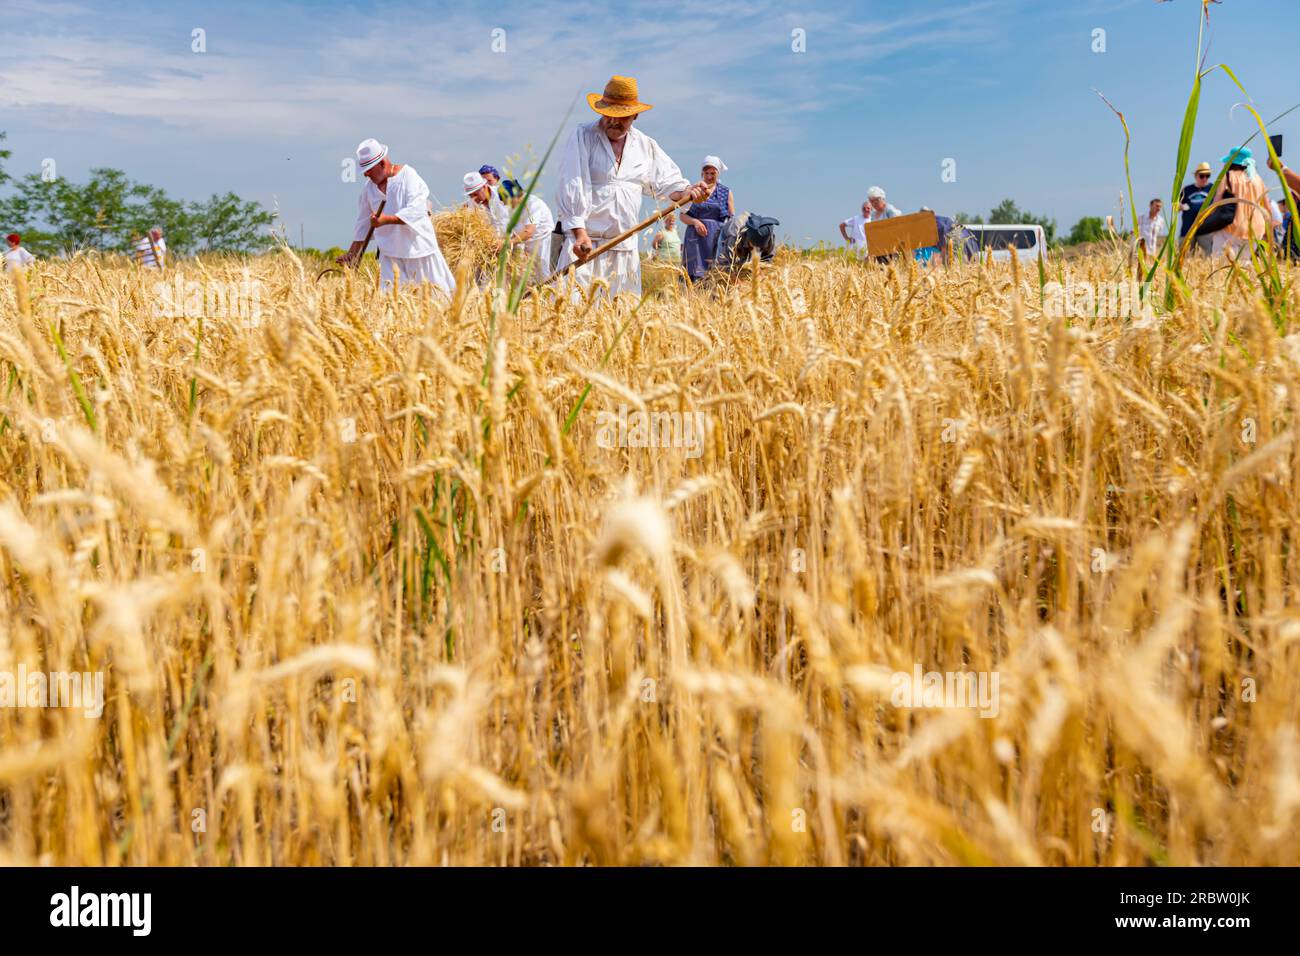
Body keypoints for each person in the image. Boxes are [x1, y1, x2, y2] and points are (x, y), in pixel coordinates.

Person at [553, 74, 708, 300]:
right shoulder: (583, 136)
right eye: (610, 115)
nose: (615, 121)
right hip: (586, 247)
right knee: (574, 314)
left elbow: (666, 184)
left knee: (619, 320)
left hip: (625, 250)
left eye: (622, 117)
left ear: (635, 115)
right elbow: (572, 182)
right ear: (601, 110)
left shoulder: (644, 145)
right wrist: (579, 234)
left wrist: (687, 193)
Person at [337, 138, 455, 295]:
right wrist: (352, 254)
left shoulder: (408, 176)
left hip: (419, 252)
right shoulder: (368, 189)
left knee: (438, 300)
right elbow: (363, 225)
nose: (366, 174)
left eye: (369, 169)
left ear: (382, 163)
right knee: (391, 306)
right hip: (390, 256)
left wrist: (386, 220)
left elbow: (417, 210)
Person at [1210, 147, 1271, 263]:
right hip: (1256, 229)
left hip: (1231, 227)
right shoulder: (1257, 179)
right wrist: (1268, 232)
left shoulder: (1227, 176)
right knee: (1245, 265)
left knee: (1221, 265)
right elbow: (1267, 208)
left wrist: (1210, 221)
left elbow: (1217, 202)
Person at [680, 155, 733, 280]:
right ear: (702, 173)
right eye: (706, 173)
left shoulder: (726, 192)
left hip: (716, 238)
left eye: (712, 173)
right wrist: (695, 222)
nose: (709, 176)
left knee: (715, 274)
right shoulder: (694, 191)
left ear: (718, 174)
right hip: (695, 238)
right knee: (694, 274)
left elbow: (731, 218)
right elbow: (682, 216)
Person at [499, 179, 555, 279]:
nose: (507, 205)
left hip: (543, 247)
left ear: (514, 196)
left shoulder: (533, 204)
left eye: (507, 201)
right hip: (528, 250)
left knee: (546, 279)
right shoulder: (515, 208)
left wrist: (507, 244)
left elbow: (528, 232)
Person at [1179, 162, 1216, 255]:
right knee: (1185, 256)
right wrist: (1180, 206)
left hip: (1206, 229)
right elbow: (1177, 205)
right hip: (1187, 229)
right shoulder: (1187, 190)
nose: (1205, 178)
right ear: (1196, 176)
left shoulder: (1213, 188)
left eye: (1207, 176)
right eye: (1202, 176)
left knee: (1207, 257)